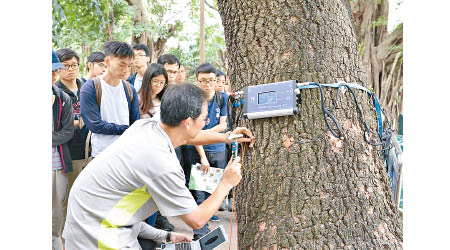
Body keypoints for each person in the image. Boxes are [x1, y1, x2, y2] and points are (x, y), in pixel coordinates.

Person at [63, 83, 254, 249]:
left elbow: (188, 136)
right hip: (96, 233)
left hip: (95, 213)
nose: (206, 123)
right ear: (188, 122)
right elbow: (197, 220)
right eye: (204, 119)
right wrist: (225, 184)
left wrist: (227, 137)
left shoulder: (147, 126)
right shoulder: (161, 163)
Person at [185, 63, 229, 239]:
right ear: (196, 80)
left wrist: (203, 134)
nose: (207, 84)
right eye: (203, 81)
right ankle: (199, 230)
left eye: (211, 80)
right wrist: (202, 156)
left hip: (218, 148)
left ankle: (206, 220)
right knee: (199, 191)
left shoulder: (222, 98)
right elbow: (192, 133)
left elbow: (224, 124)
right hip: (198, 150)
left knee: (213, 188)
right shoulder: (193, 100)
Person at [80, 41, 140, 159]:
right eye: (121, 64)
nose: (126, 70)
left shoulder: (129, 89)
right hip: (101, 154)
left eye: (129, 66)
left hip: (126, 153)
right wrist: (126, 129)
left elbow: (136, 123)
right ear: (107, 61)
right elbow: (95, 124)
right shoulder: (91, 87)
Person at [55, 48, 88, 221]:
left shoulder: (85, 87)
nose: (70, 69)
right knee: (68, 197)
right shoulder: (56, 91)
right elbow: (59, 124)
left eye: (74, 65)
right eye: (66, 66)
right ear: (58, 69)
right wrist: (80, 122)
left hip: (90, 150)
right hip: (69, 152)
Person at [52, 50, 74, 250]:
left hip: (57, 164)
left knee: (56, 217)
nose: (52, 76)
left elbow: (67, 132)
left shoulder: (62, 98)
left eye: (54, 72)